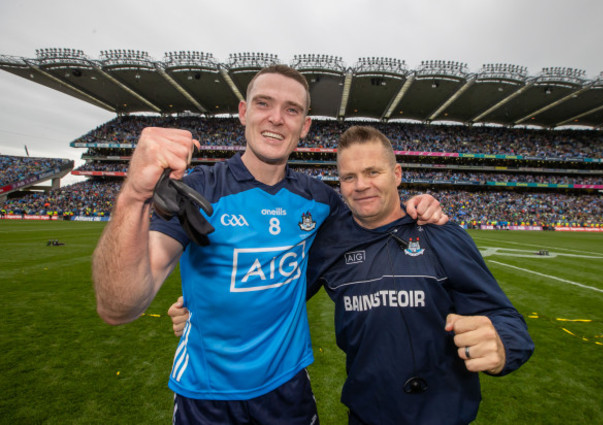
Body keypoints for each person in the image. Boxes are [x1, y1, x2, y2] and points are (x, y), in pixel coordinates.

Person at [93, 65, 447, 425]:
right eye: (264, 104)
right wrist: (134, 194)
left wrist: (416, 205)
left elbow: (374, 220)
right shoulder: (199, 190)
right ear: (244, 112)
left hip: (287, 389)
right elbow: (118, 307)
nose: (276, 118)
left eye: (291, 109)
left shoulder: (321, 201)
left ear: (304, 126)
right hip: (205, 393)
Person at [170, 125, 535, 425]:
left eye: (373, 172)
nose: (361, 185)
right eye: (349, 177)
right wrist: (202, 310)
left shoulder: (440, 234)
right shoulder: (329, 240)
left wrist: (503, 343)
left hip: (442, 416)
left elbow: (506, 318)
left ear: (396, 174)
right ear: (340, 184)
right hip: (364, 417)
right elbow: (275, 290)